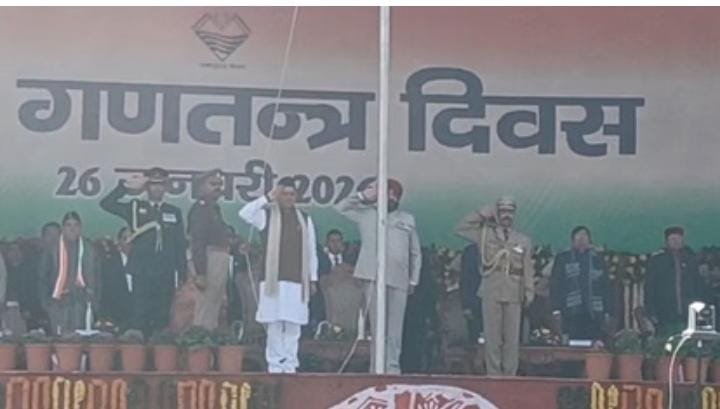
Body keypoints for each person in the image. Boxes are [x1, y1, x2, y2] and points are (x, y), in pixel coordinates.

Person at [336, 178, 422, 374]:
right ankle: (377, 369)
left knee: (395, 329)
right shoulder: (365, 214)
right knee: (377, 327)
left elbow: (415, 252)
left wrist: (413, 279)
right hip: (372, 277)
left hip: (399, 279)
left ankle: (392, 368)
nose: (390, 198)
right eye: (386, 193)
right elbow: (340, 207)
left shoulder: (407, 218)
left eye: (393, 194)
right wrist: (364, 196)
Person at [238, 179, 319, 373]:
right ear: (278, 195)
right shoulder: (266, 215)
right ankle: (275, 365)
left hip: (297, 281)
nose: (288, 198)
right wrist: (267, 197)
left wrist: (313, 278)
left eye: (292, 194)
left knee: (293, 325)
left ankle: (290, 365)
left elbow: (311, 250)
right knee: (274, 324)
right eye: (284, 194)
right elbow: (244, 213)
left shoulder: (304, 219)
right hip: (272, 281)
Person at [100, 167, 187, 337]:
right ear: (147, 187)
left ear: (166, 187)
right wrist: (125, 187)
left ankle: (161, 348)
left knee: (162, 314)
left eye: (161, 185)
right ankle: (138, 346)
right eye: (153, 184)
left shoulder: (173, 211)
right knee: (140, 313)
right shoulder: (135, 207)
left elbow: (179, 244)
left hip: (165, 270)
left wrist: (182, 272)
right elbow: (106, 204)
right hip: (142, 269)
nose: (157, 188)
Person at [455, 197, 534, 376]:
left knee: (512, 338)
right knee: (492, 337)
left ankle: (510, 375)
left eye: (510, 211)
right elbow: (460, 229)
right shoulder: (485, 235)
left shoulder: (523, 240)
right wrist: (481, 214)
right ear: (497, 213)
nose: (507, 215)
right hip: (491, 288)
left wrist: (529, 290)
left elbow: (527, 268)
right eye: (503, 211)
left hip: (514, 290)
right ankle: (494, 374)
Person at [549, 226, 613, 343]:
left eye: (584, 236)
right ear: (573, 241)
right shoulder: (564, 258)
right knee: (573, 343)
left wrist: (608, 310)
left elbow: (605, 286)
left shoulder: (598, 259)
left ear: (590, 240)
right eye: (578, 237)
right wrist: (556, 309)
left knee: (595, 343)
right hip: (572, 311)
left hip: (595, 311)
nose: (582, 239)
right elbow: (556, 285)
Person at [38, 212, 98, 336]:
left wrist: (94, 303)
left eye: (76, 225)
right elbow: (43, 278)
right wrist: (46, 304)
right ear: (63, 228)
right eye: (68, 225)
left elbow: (98, 279)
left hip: (82, 302)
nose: (72, 229)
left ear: (80, 228)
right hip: (57, 303)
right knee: (59, 340)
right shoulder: (52, 249)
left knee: (81, 339)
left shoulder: (90, 249)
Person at [187, 169, 231, 330]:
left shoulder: (214, 208)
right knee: (205, 303)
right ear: (201, 187)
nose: (217, 188)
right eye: (213, 184)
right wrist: (201, 273)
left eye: (219, 184)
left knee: (214, 303)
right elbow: (198, 243)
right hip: (208, 259)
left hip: (218, 257)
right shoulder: (200, 209)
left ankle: (209, 334)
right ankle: (200, 338)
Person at [644, 226, 705, 335]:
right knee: (665, 339)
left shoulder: (691, 260)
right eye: (672, 239)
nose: (676, 242)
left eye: (678, 238)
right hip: (664, 311)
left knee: (688, 339)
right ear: (666, 242)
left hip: (688, 311)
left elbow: (698, 285)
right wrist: (651, 311)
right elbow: (650, 287)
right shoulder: (657, 261)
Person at [96, 228, 133, 329]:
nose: (129, 242)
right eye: (125, 239)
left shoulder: (144, 263)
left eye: (132, 239)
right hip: (115, 317)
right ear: (119, 242)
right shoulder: (109, 264)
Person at [460, 243, 483, 344]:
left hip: (495, 301)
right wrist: (466, 305)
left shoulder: (501, 249)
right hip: (474, 302)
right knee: (475, 339)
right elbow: (465, 279)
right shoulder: (470, 251)